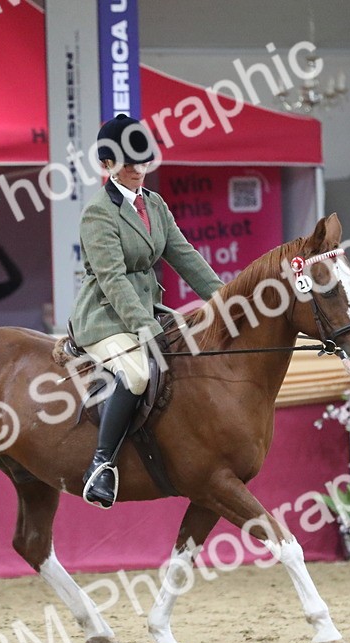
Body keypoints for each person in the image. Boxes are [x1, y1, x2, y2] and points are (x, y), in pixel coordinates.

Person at [72, 114, 224, 509]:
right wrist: (143, 326)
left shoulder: (154, 205)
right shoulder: (98, 214)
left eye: (142, 161)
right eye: (128, 163)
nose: (138, 170)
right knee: (137, 373)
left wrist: (226, 299)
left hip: (148, 309)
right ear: (107, 166)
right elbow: (112, 278)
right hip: (106, 315)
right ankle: (101, 465)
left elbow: (185, 257)